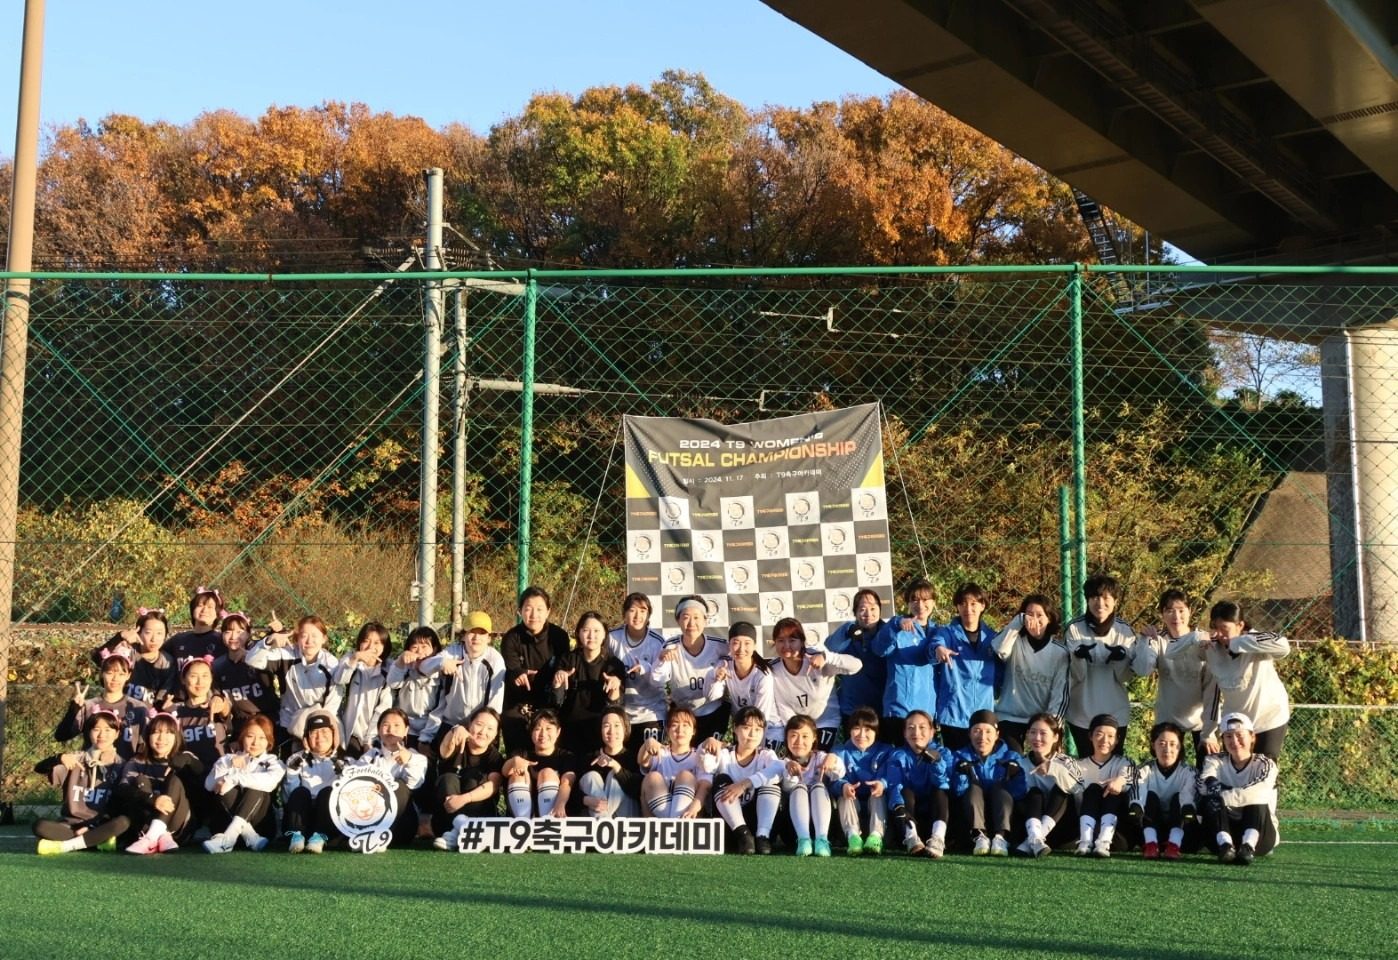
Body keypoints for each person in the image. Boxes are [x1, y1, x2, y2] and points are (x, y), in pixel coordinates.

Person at [1169, 600, 1291, 761]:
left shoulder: (1255, 641)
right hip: (1235, 725)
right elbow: (1171, 652)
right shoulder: (1211, 647)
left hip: (1268, 719)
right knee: (1233, 773)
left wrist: (1237, 642)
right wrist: (1195, 637)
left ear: (1240, 625)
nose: (1219, 634)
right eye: (1215, 628)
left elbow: (1284, 647)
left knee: (1263, 770)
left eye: (1224, 629)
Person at [1065, 576, 1145, 755]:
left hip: (1115, 712)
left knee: (1113, 765)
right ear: (1087, 600)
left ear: (1115, 601)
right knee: (1087, 765)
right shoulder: (1074, 629)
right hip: (1082, 713)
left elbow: (1125, 677)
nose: (1100, 603)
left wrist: (1120, 659)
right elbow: (1077, 676)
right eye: (1094, 597)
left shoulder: (1125, 631)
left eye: (1106, 598)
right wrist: (1078, 657)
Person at [33, 710, 126, 855]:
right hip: (70, 826)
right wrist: (58, 758)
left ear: (117, 734)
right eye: (96, 729)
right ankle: (94, 842)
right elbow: (39, 769)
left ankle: (70, 845)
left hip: (100, 826)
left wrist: (93, 827)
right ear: (89, 732)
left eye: (108, 730)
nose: (102, 735)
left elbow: (119, 805)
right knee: (39, 826)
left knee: (123, 822)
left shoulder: (122, 765)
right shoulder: (76, 758)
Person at [245, 615, 343, 744]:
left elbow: (333, 703)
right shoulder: (286, 655)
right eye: (304, 636)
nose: (309, 641)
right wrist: (268, 641)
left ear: (324, 639)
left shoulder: (331, 664)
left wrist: (319, 726)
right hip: (289, 724)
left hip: (320, 727)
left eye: (315, 636)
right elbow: (252, 660)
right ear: (297, 639)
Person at [769, 617, 861, 751]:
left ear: (802, 642)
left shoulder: (817, 658)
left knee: (819, 760)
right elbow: (781, 705)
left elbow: (856, 666)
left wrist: (827, 657)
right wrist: (796, 730)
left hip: (825, 721)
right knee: (797, 762)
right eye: (781, 641)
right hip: (796, 726)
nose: (786, 646)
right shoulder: (773, 669)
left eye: (792, 640)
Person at [992, 594, 1070, 752]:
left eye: (1040, 615)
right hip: (1009, 717)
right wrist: (1018, 621)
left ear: (1050, 618)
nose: (1034, 620)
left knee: (1045, 767)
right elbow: (999, 650)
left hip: (1041, 721)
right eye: (1029, 614)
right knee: (1012, 764)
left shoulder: (1060, 653)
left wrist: (1053, 726)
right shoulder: (1014, 641)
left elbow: (1060, 695)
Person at [1199, 712, 1279, 865]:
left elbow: (1260, 791)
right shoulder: (1214, 760)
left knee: (1257, 800)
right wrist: (1218, 792)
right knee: (1210, 798)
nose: (1234, 741)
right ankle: (1226, 845)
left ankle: (1248, 846)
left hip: (1261, 837)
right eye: (1228, 736)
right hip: (1221, 833)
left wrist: (1223, 796)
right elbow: (1203, 784)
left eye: (1240, 735)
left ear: (1252, 737)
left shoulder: (1265, 763)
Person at [701, 706, 783, 854]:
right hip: (730, 827)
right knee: (721, 779)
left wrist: (744, 784)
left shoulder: (766, 755)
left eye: (758, 729)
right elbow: (706, 766)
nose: (752, 734)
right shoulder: (724, 754)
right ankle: (743, 834)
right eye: (746, 727)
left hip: (758, 823)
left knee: (771, 780)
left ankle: (762, 836)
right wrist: (707, 745)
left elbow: (778, 769)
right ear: (735, 728)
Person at [419, 612, 506, 752]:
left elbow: (494, 706)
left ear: (489, 638)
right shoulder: (453, 652)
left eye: (482, 633)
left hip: (480, 727)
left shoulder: (495, 660)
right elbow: (423, 667)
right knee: (444, 760)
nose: (476, 637)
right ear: (464, 635)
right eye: (472, 632)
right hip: (450, 722)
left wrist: (479, 728)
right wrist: (442, 663)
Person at [1140, 590, 1207, 763]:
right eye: (1169, 610)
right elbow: (1144, 670)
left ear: (1190, 611)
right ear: (1162, 614)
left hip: (1201, 718)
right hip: (1168, 718)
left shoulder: (1201, 640)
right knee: (1171, 770)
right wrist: (1144, 643)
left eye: (1181, 610)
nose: (1176, 616)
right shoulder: (1158, 640)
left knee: (1208, 770)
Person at [500, 586, 570, 753]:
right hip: (521, 701)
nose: (534, 615)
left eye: (539, 609)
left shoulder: (559, 636)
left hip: (550, 699)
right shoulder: (511, 638)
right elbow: (512, 670)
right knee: (512, 719)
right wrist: (518, 674)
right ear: (519, 611)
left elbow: (563, 666)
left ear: (548, 611)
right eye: (528, 609)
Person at [650, 597, 729, 743]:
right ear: (678, 620)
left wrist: (722, 670)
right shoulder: (670, 646)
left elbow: (738, 658)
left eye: (697, 617)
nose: (691, 623)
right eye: (686, 617)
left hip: (713, 713)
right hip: (683, 716)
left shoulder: (719, 645)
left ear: (705, 620)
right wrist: (661, 661)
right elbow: (656, 681)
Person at [950, 709, 1028, 856]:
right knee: (974, 788)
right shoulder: (959, 756)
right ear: (969, 734)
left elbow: (1020, 794)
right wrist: (962, 774)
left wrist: (1016, 776)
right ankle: (979, 835)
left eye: (988, 731)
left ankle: (1002, 837)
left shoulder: (1011, 756)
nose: (982, 737)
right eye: (977, 731)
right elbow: (958, 791)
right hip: (973, 816)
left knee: (1000, 788)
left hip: (1002, 814)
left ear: (997, 734)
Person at [202, 714, 285, 853]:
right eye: (250, 736)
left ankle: (227, 840)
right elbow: (209, 785)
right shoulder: (228, 759)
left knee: (257, 787)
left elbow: (270, 783)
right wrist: (228, 765)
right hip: (241, 832)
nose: (255, 742)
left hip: (261, 826)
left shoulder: (275, 763)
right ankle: (248, 836)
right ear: (242, 737)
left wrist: (233, 778)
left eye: (262, 738)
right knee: (223, 788)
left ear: (268, 741)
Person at [117, 712, 198, 854]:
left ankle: (153, 836)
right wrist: (152, 799)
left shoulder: (183, 758)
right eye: (156, 732)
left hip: (177, 825)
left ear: (177, 736)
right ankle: (156, 835)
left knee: (174, 780)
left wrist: (186, 759)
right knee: (141, 780)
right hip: (145, 825)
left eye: (168, 733)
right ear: (148, 736)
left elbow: (202, 773)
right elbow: (123, 789)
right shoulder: (137, 761)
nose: (161, 738)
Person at [933, 583, 1000, 751]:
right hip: (954, 714)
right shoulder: (946, 633)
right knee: (957, 765)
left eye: (973, 603)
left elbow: (1002, 671)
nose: (968, 608)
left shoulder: (993, 638)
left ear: (982, 605)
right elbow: (936, 644)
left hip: (983, 715)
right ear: (957, 606)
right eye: (962, 603)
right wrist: (939, 649)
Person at [54, 643, 150, 761]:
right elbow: (61, 736)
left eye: (121, 674)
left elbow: (145, 748)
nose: (115, 679)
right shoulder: (89, 706)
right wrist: (73, 710)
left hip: (124, 773)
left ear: (128, 675)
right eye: (110, 673)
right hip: (92, 770)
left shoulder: (138, 708)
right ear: (102, 673)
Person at [352, 707, 429, 847]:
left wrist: (409, 760)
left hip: (402, 826)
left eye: (397, 725)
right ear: (379, 730)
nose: (390, 730)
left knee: (399, 786)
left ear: (406, 730)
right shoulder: (370, 756)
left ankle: (377, 834)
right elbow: (354, 782)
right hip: (369, 819)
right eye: (386, 725)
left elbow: (414, 784)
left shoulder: (417, 758)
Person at [873, 578, 938, 744]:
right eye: (914, 599)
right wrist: (896, 625)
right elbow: (879, 649)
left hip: (927, 712)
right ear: (908, 603)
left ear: (934, 602)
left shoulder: (939, 631)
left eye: (925, 600)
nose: (920, 605)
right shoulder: (898, 627)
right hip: (899, 710)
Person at [552, 611, 626, 754]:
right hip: (569, 729)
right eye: (586, 630)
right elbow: (556, 702)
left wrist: (615, 689)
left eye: (597, 631)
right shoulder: (567, 660)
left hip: (600, 732)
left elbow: (616, 708)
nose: (591, 636)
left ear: (605, 634)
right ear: (578, 633)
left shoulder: (614, 665)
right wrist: (557, 683)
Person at [435, 706, 506, 849]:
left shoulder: (494, 757)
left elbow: (493, 786)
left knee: (473, 779)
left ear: (495, 735)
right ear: (469, 725)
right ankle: (459, 828)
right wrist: (454, 730)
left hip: (479, 819)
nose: (483, 732)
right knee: (448, 778)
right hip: (446, 817)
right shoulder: (457, 744)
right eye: (479, 725)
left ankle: (457, 833)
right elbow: (444, 752)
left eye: (490, 729)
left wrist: (464, 798)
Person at [606, 593, 670, 750]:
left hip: (651, 711)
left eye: (643, 611)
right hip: (622, 712)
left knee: (650, 763)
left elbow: (661, 680)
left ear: (648, 615)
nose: (637, 616)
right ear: (624, 614)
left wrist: (646, 669)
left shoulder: (658, 642)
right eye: (632, 610)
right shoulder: (612, 638)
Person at [885, 709, 951, 858]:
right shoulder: (897, 754)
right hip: (908, 813)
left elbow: (944, 783)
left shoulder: (943, 753)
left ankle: (938, 838)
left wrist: (936, 762)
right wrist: (898, 806)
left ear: (932, 731)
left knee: (940, 792)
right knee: (905, 792)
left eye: (922, 728)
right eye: (911, 728)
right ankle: (911, 837)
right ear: (904, 733)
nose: (916, 733)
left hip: (935, 811)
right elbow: (894, 784)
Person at [281, 706, 348, 854]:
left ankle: (319, 838)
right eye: (314, 732)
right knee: (301, 791)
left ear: (334, 734)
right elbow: (288, 797)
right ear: (306, 737)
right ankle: (296, 837)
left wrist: (342, 772)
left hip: (329, 819)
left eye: (325, 731)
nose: (320, 737)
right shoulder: (296, 759)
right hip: (301, 818)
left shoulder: (346, 762)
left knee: (328, 792)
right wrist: (293, 772)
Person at [1015, 711, 1081, 857]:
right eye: (1033, 732)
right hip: (1030, 823)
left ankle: (1031, 842)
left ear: (1055, 737)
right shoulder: (1021, 763)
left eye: (1043, 733)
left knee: (1062, 790)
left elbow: (1079, 790)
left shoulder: (1067, 762)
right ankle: (1035, 838)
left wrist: (1053, 769)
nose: (1037, 738)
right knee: (1034, 793)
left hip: (1062, 827)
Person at [830, 706, 893, 856]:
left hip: (875, 802)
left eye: (868, 730)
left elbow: (892, 775)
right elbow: (833, 780)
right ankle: (853, 837)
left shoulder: (886, 751)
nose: (862, 734)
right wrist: (843, 786)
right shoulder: (840, 751)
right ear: (849, 730)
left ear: (876, 732)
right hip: (853, 802)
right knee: (844, 796)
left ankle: (876, 836)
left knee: (877, 795)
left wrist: (882, 784)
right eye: (856, 728)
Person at [1129, 721, 1197, 860]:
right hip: (1151, 827)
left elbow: (1188, 793)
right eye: (1162, 743)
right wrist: (1136, 805)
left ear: (1180, 747)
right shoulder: (1144, 769)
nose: (1167, 749)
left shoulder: (1188, 772)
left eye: (1173, 744)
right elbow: (1139, 789)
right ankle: (1150, 845)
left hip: (1180, 829)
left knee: (1178, 798)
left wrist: (1188, 807)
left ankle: (1174, 846)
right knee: (1151, 796)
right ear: (1153, 745)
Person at [780, 714, 844, 857]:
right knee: (799, 788)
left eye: (805, 736)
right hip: (794, 828)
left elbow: (839, 772)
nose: (799, 741)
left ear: (814, 737)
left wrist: (833, 760)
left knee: (818, 787)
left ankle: (822, 840)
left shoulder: (820, 757)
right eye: (793, 735)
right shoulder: (783, 762)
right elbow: (786, 787)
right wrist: (790, 771)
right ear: (786, 738)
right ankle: (804, 840)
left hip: (824, 824)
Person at [825, 588, 888, 733]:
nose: (868, 614)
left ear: (880, 609)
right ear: (855, 613)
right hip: (852, 708)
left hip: (881, 708)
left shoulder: (887, 632)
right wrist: (848, 631)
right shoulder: (848, 632)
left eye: (873, 608)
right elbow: (830, 647)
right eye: (862, 609)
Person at [1075, 713, 1134, 857]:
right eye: (1099, 734)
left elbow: (1128, 776)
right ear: (1091, 736)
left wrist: (1119, 781)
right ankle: (1085, 842)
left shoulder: (1124, 763)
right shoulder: (1079, 765)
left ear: (1117, 740)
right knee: (1093, 789)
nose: (1105, 740)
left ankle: (1104, 843)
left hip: (1115, 831)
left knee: (1113, 791)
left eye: (1110, 736)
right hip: (1083, 823)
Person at [91, 608, 177, 705]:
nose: (154, 639)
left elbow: (161, 700)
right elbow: (99, 658)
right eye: (148, 632)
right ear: (139, 632)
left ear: (165, 635)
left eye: (159, 633)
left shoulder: (167, 662)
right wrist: (120, 637)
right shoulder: (127, 651)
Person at [638, 706, 712, 819]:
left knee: (685, 776)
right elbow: (643, 762)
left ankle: (674, 825)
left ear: (693, 731)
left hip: (688, 817)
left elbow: (705, 787)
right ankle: (672, 824)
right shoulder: (661, 752)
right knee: (651, 777)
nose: (680, 730)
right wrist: (647, 743)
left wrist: (694, 808)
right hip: (659, 813)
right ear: (667, 730)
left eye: (685, 725)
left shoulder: (700, 755)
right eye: (674, 724)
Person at [503, 708, 575, 819]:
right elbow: (504, 772)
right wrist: (514, 761)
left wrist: (560, 804)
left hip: (554, 814)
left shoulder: (565, 756)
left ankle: (547, 820)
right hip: (523, 816)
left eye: (548, 729)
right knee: (517, 774)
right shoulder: (522, 753)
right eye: (538, 729)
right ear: (531, 732)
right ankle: (523, 822)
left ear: (558, 732)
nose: (543, 734)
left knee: (547, 773)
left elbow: (567, 783)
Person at [335, 621, 394, 755]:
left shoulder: (389, 669)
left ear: (384, 646)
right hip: (351, 732)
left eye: (377, 643)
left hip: (377, 733)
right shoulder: (351, 661)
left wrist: (369, 740)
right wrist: (355, 659)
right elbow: (339, 679)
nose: (370, 647)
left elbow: (383, 709)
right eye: (366, 641)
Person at [212, 610, 278, 724]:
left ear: (248, 634)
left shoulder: (259, 658)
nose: (233, 636)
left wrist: (279, 632)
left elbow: (277, 652)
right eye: (228, 631)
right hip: (240, 723)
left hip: (268, 718)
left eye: (239, 631)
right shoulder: (218, 666)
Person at [715, 621, 775, 747]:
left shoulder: (763, 675)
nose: (741, 649)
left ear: (754, 646)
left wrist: (757, 750)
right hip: (741, 727)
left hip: (765, 728)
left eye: (747, 643)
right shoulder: (724, 665)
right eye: (736, 643)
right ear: (729, 645)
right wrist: (715, 679)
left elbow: (762, 716)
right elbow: (710, 696)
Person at [577, 706, 643, 820]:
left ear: (625, 729)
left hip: (625, 819)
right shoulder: (590, 758)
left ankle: (603, 824)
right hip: (594, 817)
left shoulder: (633, 757)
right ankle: (604, 822)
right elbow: (573, 794)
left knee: (614, 777)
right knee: (591, 776)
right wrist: (586, 800)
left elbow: (638, 791)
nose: (612, 731)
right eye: (606, 726)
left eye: (617, 725)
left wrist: (616, 767)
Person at [388, 625, 445, 747]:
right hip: (403, 729)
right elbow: (392, 683)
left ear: (435, 650)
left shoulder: (440, 677)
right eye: (415, 647)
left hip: (430, 731)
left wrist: (425, 738)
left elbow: (439, 712)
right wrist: (400, 662)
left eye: (425, 646)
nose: (419, 651)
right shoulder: (405, 669)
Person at [167, 586, 227, 661]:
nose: (204, 610)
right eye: (200, 605)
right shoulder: (178, 640)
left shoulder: (222, 642)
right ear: (193, 609)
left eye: (210, 607)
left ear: (217, 613)